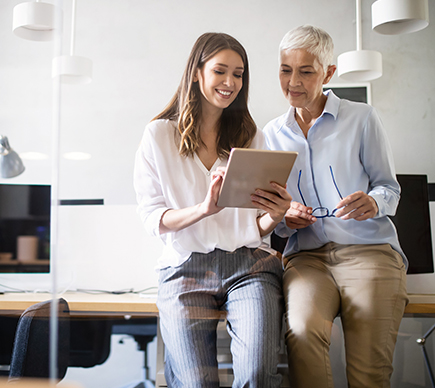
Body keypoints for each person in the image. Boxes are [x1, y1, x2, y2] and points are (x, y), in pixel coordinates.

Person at [134, 32, 291, 388]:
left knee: (256, 374)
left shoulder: (251, 136)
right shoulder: (158, 136)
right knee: (195, 383)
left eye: (238, 74)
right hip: (184, 267)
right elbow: (152, 218)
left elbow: (255, 225)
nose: (230, 82)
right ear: (196, 72)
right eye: (221, 71)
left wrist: (276, 214)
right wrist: (203, 209)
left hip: (249, 265)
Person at [263, 25, 408, 388]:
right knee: (300, 333)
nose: (292, 81)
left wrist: (373, 202)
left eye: (305, 71)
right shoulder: (270, 135)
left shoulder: (362, 118)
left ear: (328, 73)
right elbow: (273, 215)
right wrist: (286, 218)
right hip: (307, 259)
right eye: (285, 69)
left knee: (368, 372)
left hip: (369, 252)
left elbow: (389, 188)